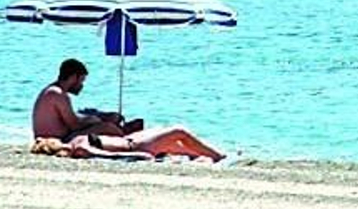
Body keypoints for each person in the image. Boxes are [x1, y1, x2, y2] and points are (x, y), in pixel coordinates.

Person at [32, 59, 143, 142]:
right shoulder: (58, 94)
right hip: (55, 140)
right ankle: (126, 137)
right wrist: (94, 120)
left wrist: (96, 117)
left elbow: (69, 121)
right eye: (81, 81)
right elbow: (74, 125)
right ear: (73, 77)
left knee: (104, 120)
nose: (81, 86)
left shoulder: (52, 91)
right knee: (107, 127)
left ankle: (122, 130)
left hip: (54, 137)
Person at [31, 127, 225, 163]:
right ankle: (217, 156)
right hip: (135, 146)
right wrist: (141, 157)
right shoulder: (80, 148)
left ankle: (206, 156)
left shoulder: (75, 142)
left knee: (172, 141)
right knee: (179, 132)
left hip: (132, 140)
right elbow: (109, 156)